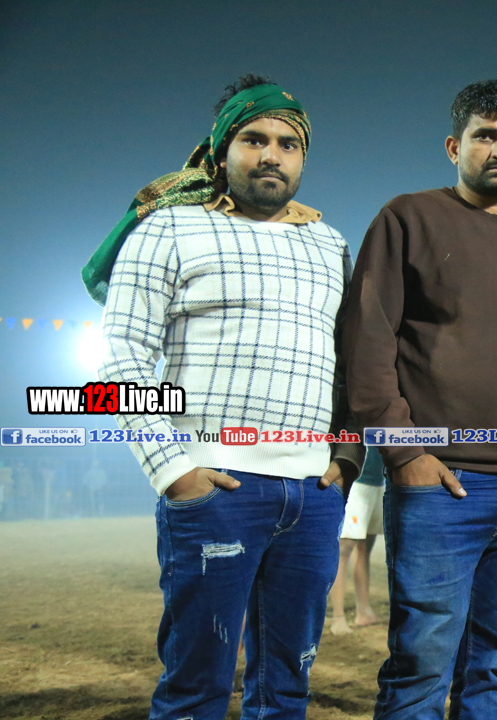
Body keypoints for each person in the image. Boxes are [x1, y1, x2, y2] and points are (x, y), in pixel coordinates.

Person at [91, 74, 357, 719]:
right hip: (215, 486)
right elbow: (121, 359)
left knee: (287, 690)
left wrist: (346, 458)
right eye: (253, 139)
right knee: (196, 689)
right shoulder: (168, 229)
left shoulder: (329, 243)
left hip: (313, 496)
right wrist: (174, 471)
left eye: (288, 144)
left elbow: (351, 364)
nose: (272, 155)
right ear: (221, 150)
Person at [341, 78, 497, 719]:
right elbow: (367, 343)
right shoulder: (407, 220)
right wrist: (404, 453)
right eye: (484, 135)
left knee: (495, 672)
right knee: (420, 672)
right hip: (442, 488)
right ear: (454, 146)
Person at [329, 447, 387, 634]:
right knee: (344, 549)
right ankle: (338, 617)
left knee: (365, 548)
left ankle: (364, 611)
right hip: (356, 483)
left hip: (379, 481)